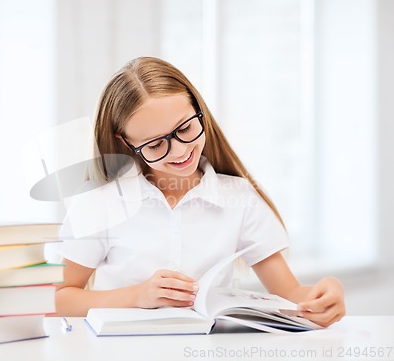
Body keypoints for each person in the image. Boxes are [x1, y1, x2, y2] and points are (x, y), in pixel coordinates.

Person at [51, 56, 345, 327]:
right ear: (126, 143)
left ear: (198, 111)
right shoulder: (100, 201)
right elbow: (58, 298)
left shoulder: (239, 198)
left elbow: (291, 293)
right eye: (155, 145)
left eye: (186, 128)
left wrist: (323, 295)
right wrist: (137, 296)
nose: (180, 151)